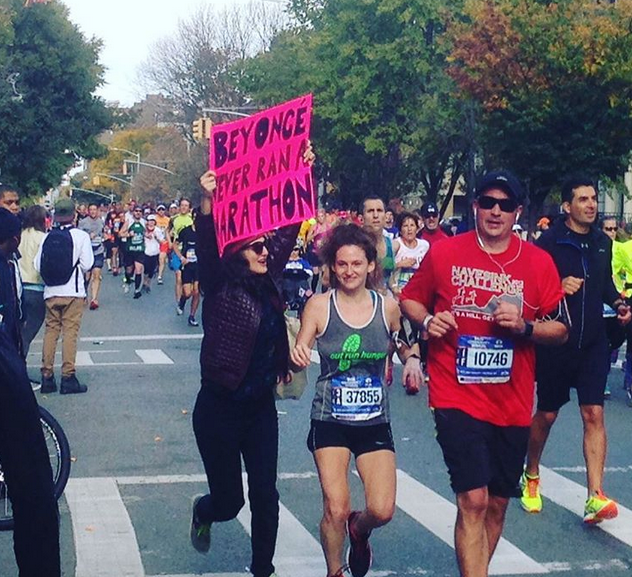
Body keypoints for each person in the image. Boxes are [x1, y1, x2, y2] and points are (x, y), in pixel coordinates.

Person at [400, 170, 568, 577]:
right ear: (475, 206)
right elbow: (409, 300)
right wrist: (426, 324)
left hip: (511, 402)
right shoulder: (444, 253)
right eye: (488, 202)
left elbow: (560, 328)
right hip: (456, 392)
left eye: (505, 204)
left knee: (495, 504)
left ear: (517, 213)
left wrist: (525, 326)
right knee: (472, 500)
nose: (496, 211)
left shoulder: (538, 263)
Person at [190, 147, 312, 577]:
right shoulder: (219, 282)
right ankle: (204, 511)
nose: (265, 251)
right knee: (230, 502)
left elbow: (288, 228)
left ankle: (263, 568)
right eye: (256, 246)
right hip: (218, 410)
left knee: (265, 494)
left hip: (260, 410)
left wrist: (300, 168)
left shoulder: (270, 279)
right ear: (238, 251)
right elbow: (207, 243)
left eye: (266, 247)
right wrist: (207, 202)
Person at [291, 224, 423, 577]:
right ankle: (335, 570)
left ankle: (359, 530)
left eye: (356, 263)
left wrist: (411, 359)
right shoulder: (319, 306)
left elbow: (405, 341)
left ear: (370, 266)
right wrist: (298, 355)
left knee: (382, 509)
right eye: (342, 264)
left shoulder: (388, 307)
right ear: (332, 267)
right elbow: (300, 347)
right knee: (335, 506)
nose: (349, 271)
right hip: (329, 418)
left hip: (374, 420)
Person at [521, 175, 631, 523]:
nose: (591, 205)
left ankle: (594, 495)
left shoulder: (602, 242)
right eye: (583, 199)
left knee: (594, 414)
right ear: (566, 206)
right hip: (558, 340)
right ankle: (531, 473)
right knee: (548, 413)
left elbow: (604, 286)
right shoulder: (549, 242)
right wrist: (557, 285)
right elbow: (531, 289)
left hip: (593, 342)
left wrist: (619, 302)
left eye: (594, 198)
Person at [0, 208, 61, 577]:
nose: (15, 251)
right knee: (35, 496)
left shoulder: (7, 268)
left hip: (12, 385)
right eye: (10, 246)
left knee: (35, 497)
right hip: (10, 393)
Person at [35, 197, 93, 395]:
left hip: (51, 291)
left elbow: (37, 265)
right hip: (73, 292)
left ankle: (47, 376)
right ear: (74, 214)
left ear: (56, 216)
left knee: (51, 332)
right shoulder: (81, 236)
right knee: (70, 333)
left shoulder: (47, 237)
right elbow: (87, 264)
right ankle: (68, 377)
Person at [18, 206, 48, 389]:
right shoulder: (42, 238)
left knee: (19, 333)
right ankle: (20, 373)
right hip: (37, 288)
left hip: (19, 287)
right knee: (27, 336)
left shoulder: (18, 236)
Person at [362, 196, 400, 293]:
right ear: (362, 218)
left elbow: (390, 278)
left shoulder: (393, 245)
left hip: (385, 301)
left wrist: (396, 290)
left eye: (379, 210)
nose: (375, 215)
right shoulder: (355, 245)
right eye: (370, 211)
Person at [390, 212, 429, 298]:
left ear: (417, 229)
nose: (409, 229)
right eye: (405, 226)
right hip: (398, 291)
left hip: (418, 291)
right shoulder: (395, 245)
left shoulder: (425, 245)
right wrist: (400, 264)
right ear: (400, 230)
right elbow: (384, 268)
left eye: (412, 225)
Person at [173, 220, 200, 326]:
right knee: (188, 293)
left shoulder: (204, 232)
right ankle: (182, 302)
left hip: (199, 266)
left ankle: (192, 316)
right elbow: (175, 245)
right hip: (187, 265)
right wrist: (181, 257)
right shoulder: (186, 231)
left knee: (197, 291)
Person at [79, 203, 105, 310]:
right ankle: (84, 293)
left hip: (98, 251)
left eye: (95, 209)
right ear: (88, 211)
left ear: (98, 210)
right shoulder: (83, 223)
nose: (93, 211)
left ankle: (94, 299)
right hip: (86, 252)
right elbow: (78, 237)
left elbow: (106, 233)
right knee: (87, 276)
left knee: (97, 274)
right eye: (91, 210)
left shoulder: (101, 222)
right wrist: (87, 236)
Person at [169, 198, 194, 304]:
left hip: (189, 252)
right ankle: (178, 302)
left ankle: (184, 297)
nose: (184, 207)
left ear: (189, 208)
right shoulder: (174, 218)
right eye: (182, 205)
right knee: (178, 277)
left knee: (190, 286)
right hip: (177, 251)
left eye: (186, 205)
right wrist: (169, 241)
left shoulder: (192, 219)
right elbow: (167, 230)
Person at [120, 206, 146, 299]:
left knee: (138, 269)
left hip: (140, 250)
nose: (138, 213)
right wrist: (128, 234)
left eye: (140, 211)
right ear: (133, 212)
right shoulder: (129, 222)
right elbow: (120, 233)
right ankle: (127, 280)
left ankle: (137, 290)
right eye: (136, 211)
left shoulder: (144, 222)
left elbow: (147, 233)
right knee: (129, 270)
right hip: (130, 250)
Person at [306, 208, 333, 293]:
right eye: (318, 217)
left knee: (324, 273)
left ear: (325, 216)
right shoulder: (314, 227)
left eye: (322, 216)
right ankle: (313, 292)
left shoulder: (328, 227)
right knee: (316, 273)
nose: (320, 218)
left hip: (324, 252)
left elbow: (332, 238)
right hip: (315, 252)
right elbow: (307, 239)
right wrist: (315, 234)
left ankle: (323, 293)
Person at [142, 214, 164, 294]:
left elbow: (162, 241)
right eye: (149, 221)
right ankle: (144, 282)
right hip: (146, 252)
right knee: (146, 269)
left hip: (155, 252)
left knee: (152, 270)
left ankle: (148, 284)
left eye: (152, 221)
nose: (151, 223)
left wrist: (156, 237)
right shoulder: (144, 230)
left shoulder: (157, 230)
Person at [154, 204, 171, 284]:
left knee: (162, 259)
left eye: (163, 210)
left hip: (164, 241)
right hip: (154, 242)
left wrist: (169, 237)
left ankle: (159, 276)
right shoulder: (154, 219)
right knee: (154, 259)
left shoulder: (168, 219)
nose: (161, 211)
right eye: (159, 210)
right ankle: (154, 268)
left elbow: (170, 229)